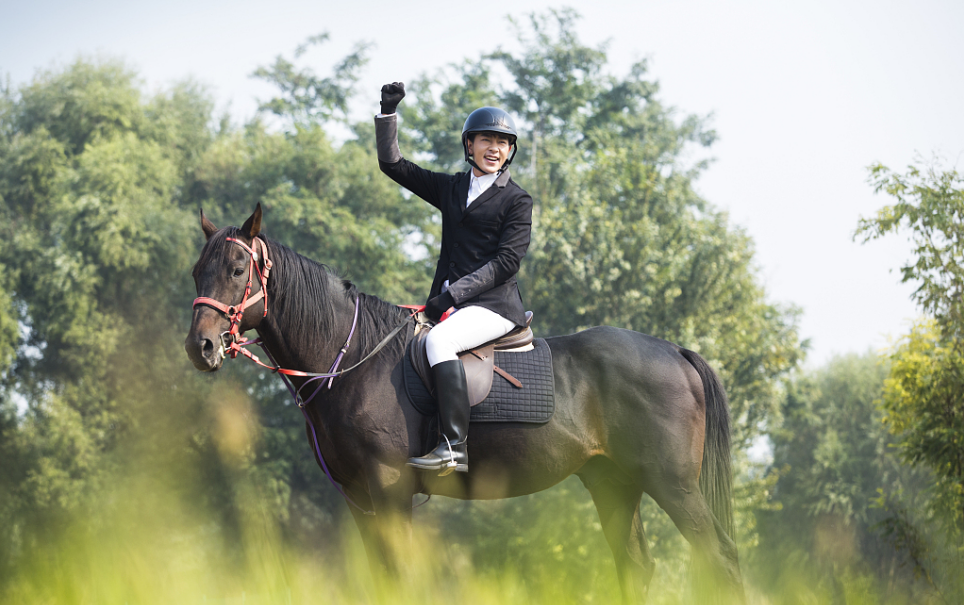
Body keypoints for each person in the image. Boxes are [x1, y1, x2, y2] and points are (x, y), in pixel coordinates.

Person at [374, 81, 533, 476]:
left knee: (440, 340)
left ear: (510, 151)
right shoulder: (452, 187)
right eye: (486, 140)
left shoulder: (517, 200)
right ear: (470, 145)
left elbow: (506, 263)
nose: (494, 148)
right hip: (450, 304)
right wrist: (388, 113)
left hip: (494, 306)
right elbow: (394, 166)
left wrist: (452, 295)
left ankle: (453, 449)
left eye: (502, 142)